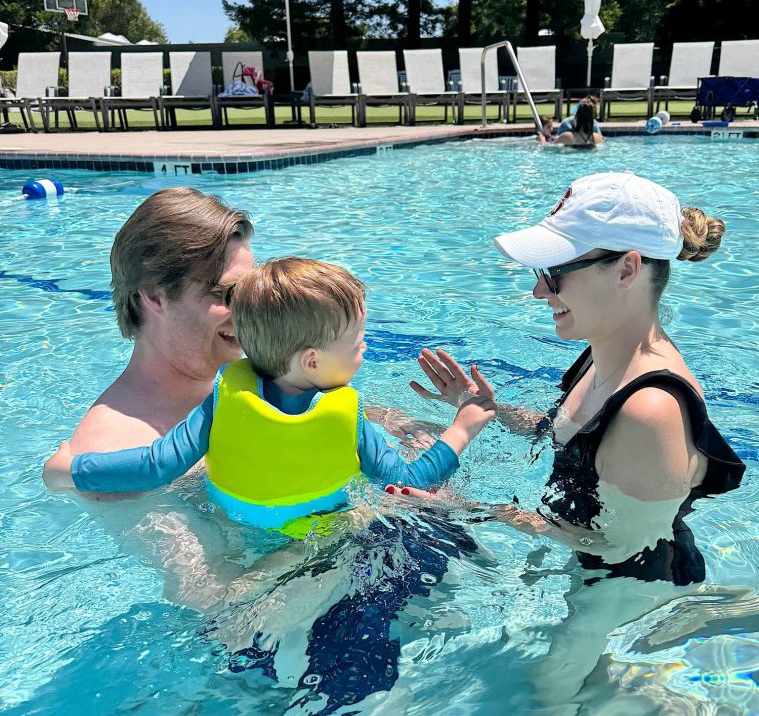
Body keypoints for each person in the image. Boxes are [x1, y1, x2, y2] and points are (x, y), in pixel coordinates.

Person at [406, 171, 745, 582]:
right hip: (591, 567)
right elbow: (570, 436)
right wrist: (485, 409)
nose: (539, 292)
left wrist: (470, 507)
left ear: (627, 270)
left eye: (555, 271)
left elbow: (623, 547)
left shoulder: (651, 408)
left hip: (629, 594)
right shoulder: (602, 355)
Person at [44, 257, 496, 531]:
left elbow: (155, 465)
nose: (364, 349)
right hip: (326, 530)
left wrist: (71, 471)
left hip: (237, 523)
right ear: (312, 361)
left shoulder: (225, 398)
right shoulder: (349, 416)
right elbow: (409, 482)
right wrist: (461, 428)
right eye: (357, 342)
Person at [43, 186, 441, 486]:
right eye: (225, 294)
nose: (253, 309)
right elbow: (212, 591)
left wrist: (410, 421)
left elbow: (328, 415)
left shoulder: (251, 374)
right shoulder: (116, 447)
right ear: (154, 296)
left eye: (250, 290)